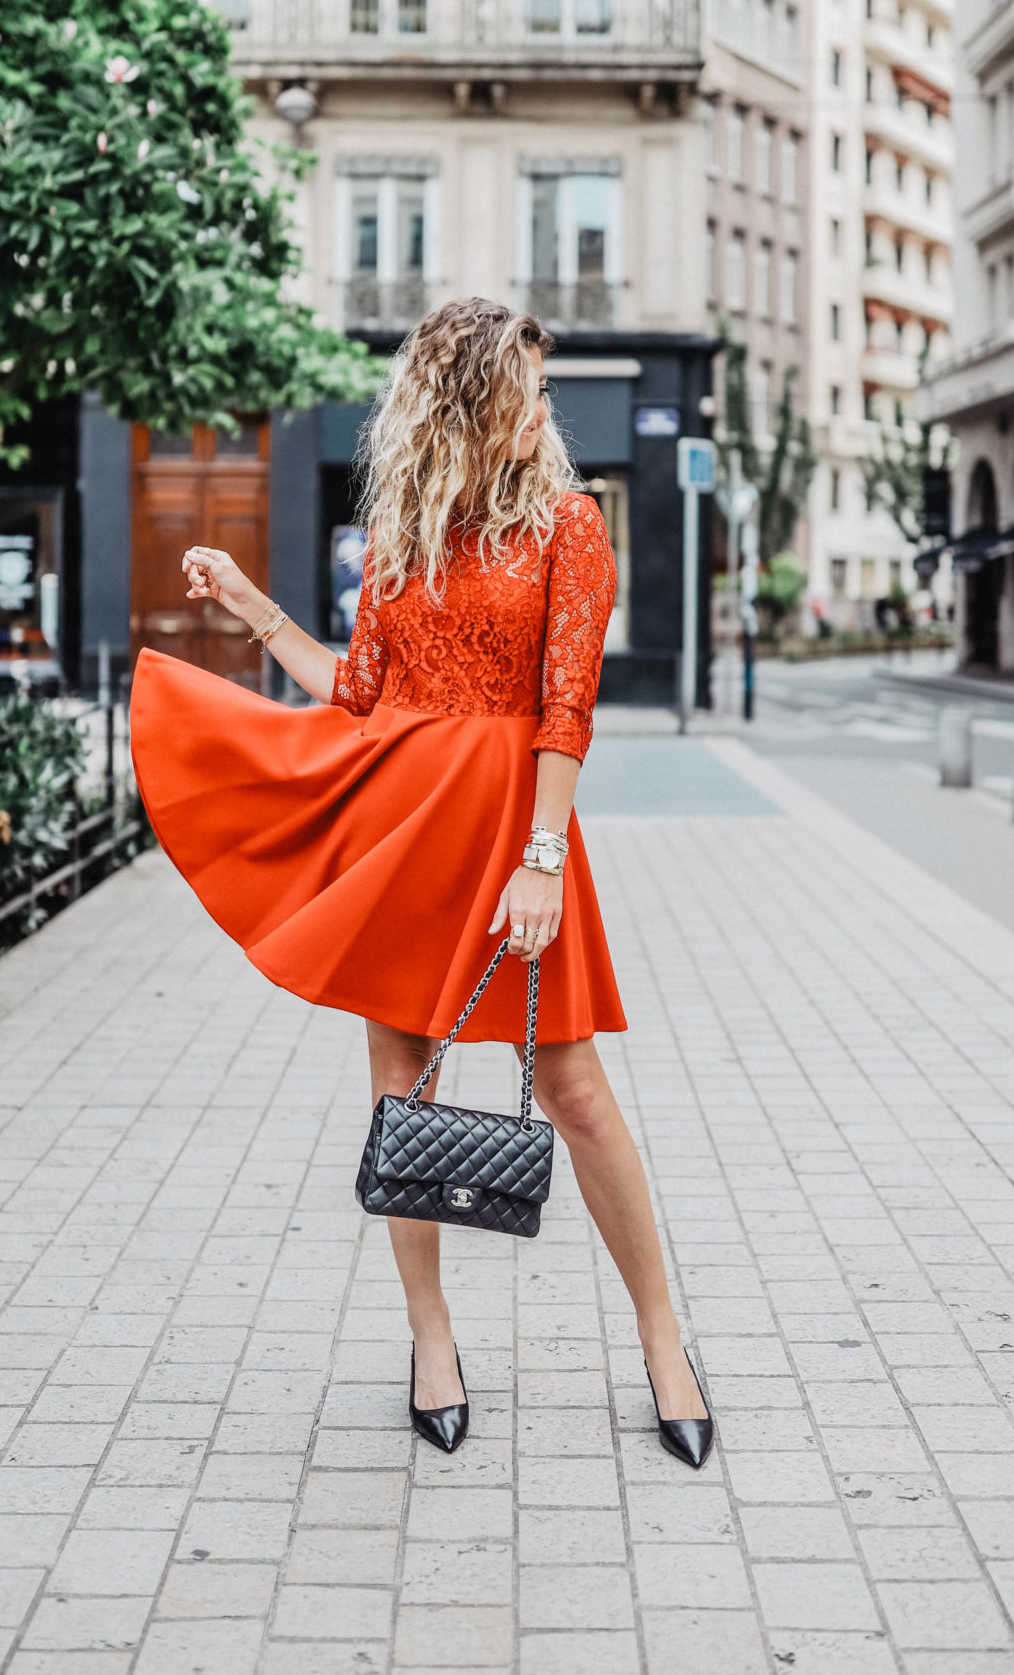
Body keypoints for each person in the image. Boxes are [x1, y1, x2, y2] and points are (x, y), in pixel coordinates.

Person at [130, 298, 712, 1468]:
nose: (545, 411)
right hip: (405, 827)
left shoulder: (569, 526)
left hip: (513, 831)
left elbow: (565, 708)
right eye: (530, 389)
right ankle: (430, 1339)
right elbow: (360, 695)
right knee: (406, 1084)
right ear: (471, 391)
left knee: (574, 1086)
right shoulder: (405, 527)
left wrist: (542, 857)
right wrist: (258, 615)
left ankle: (661, 1335)